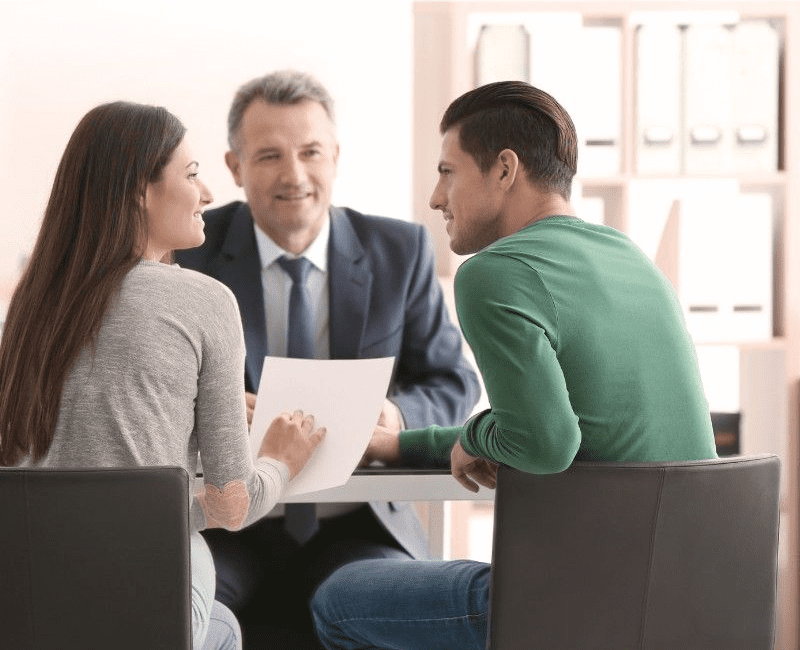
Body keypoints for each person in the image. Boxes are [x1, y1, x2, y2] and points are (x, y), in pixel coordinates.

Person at [309, 81, 718, 650]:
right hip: (689, 595)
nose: (434, 197)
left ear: (504, 169)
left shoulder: (497, 271)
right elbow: (556, 426)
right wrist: (405, 445)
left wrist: (477, 434)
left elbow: (546, 444)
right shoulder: (630, 258)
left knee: (339, 597)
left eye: (447, 171)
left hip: (577, 602)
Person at [0, 101, 326, 650]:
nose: (207, 195)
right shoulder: (204, 301)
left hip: (28, 591)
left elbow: (67, 483)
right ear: (137, 191)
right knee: (223, 628)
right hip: (148, 589)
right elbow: (232, 503)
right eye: (193, 175)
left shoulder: (28, 309)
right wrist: (279, 461)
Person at [174, 70, 481, 636]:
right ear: (235, 167)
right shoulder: (188, 255)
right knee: (174, 605)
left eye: (311, 152)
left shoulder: (400, 251)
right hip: (231, 521)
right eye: (269, 156)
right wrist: (204, 412)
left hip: (358, 525)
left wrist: (399, 419)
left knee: (395, 612)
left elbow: (453, 382)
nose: (294, 176)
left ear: (335, 156)